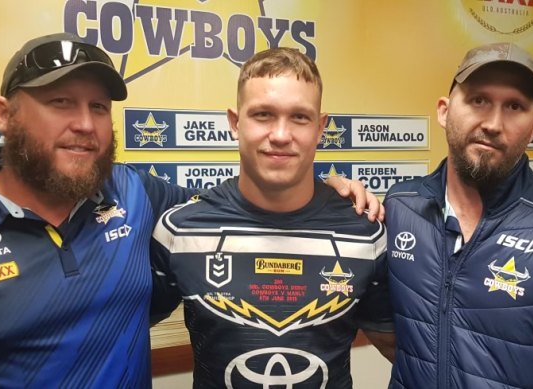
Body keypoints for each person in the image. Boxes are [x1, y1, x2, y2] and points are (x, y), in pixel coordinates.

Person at [0, 33, 383, 388]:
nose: (84, 123)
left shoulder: (133, 194)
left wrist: (337, 191)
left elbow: (233, 207)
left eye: (98, 106)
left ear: (320, 127)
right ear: (3, 114)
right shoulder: (165, 216)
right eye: (60, 102)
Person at [150, 47, 395, 388]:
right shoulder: (179, 230)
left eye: (299, 117)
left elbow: (407, 352)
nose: (281, 135)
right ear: (235, 123)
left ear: (321, 127)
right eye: (263, 114)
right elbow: (115, 334)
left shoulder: (365, 233)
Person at [383, 42, 533, 389]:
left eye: (514, 106)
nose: (493, 123)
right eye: (478, 100)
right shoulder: (400, 207)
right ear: (444, 111)